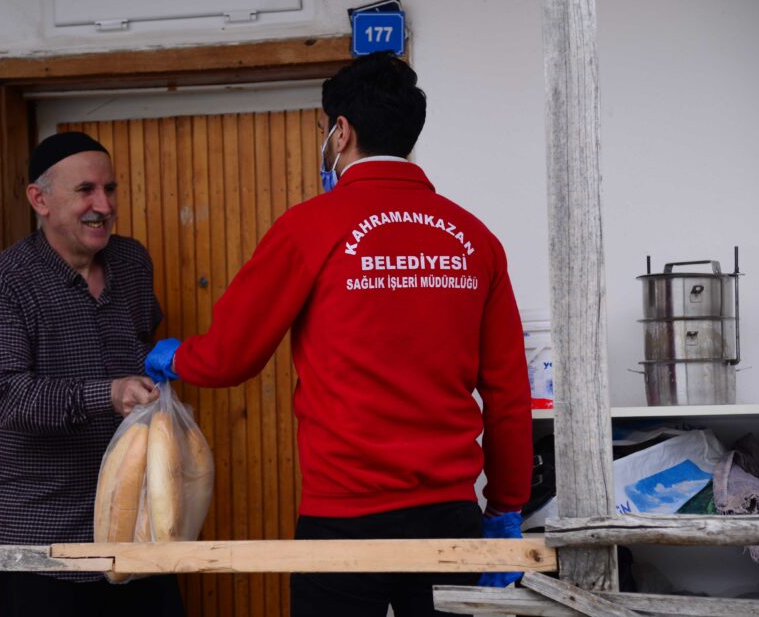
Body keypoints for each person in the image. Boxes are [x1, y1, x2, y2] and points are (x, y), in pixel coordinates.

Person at [145, 53, 533, 616]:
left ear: (341, 131)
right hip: (450, 519)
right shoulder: (475, 239)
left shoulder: (308, 228)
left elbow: (229, 358)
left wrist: (176, 357)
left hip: (346, 519)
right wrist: (506, 508)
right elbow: (507, 394)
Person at [0, 132, 185, 617]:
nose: (103, 205)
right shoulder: (0, 283)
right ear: (38, 200)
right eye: (85, 190)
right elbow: (8, 397)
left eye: (110, 189)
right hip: (45, 546)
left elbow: (142, 346)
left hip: (138, 533)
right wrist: (107, 394)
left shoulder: (131, 262)